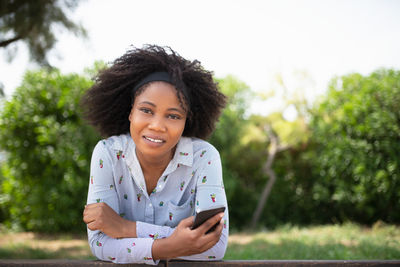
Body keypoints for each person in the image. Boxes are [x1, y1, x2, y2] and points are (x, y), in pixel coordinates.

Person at [81, 45, 229, 265]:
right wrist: (171, 245)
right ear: (130, 111)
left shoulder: (204, 158)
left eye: (173, 115)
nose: (157, 126)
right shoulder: (108, 154)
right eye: (146, 110)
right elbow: (100, 243)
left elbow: (215, 246)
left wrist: (125, 228)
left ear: (185, 121)